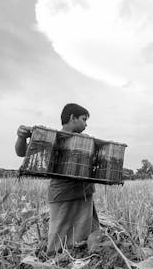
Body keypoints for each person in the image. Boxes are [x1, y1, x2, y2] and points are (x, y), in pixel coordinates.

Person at [15, 103, 100, 255]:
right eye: (84, 119)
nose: (86, 124)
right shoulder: (52, 138)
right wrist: (21, 137)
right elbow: (22, 153)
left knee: (85, 231)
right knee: (59, 235)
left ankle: (81, 258)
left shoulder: (86, 141)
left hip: (84, 193)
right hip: (63, 194)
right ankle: (56, 263)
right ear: (72, 118)